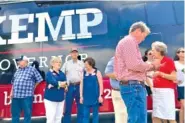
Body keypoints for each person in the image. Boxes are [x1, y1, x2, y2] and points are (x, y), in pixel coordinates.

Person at [114, 21, 160, 123]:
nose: (143, 39)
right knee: (138, 119)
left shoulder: (127, 42)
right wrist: (152, 66)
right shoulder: (129, 41)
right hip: (133, 86)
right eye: (144, 36)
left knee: (138, 118)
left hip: (132, 86)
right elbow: (134, 65)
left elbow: (133, 65)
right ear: (138, 31)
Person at [10, 55, 43, 123]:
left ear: (25, 61)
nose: (18, 62)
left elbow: (39, 79)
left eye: (20, 61)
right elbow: (13, 82)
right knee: (15, 115)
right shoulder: (18, 70)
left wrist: (33, 87)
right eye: (18, 61)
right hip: (15, 96)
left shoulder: (32, 69)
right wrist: (11, 92)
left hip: (26, 96)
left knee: (27, 115)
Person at [151, 41, 177, 123]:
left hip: (166, 92)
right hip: (156, 91)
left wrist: (160, 73)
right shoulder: (154, 61)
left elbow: (174, 77)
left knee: (170, 117)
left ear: (159, 51)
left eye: (153, 50)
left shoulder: (168, 61)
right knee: (155, 116)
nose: (152, 52)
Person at [62, 47, 84, 123]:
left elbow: (85, 75)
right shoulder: (66, 64)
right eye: (73, 52)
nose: (74, 53)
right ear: (70, 54)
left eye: (75, 52)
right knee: (67, 107)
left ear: (77, 53)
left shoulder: (82, 63)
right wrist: (65, 85)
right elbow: (62, 76)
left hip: (79, 86)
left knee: (80, 107)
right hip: (69, 87)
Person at [44, 56, 67, 123]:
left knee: (58, 118)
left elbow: (65, 83)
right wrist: (59, 84)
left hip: (60, 99)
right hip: (50, 99)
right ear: (52, 64)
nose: (59, 63)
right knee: (51, 118)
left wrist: (59, 84)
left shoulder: (62, 73)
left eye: (60, 62)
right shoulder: (49, 73)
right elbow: (53, 82)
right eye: (57, 62)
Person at [80, 57, 103, 123]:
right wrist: (81, 96)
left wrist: (100, 95)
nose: (85, 66)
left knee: (95, 115)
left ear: (91, 64)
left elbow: (101, 85)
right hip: (86, 97)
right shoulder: (83, 72)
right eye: (85, 64)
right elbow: (81, 85)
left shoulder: (97, 72)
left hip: (95, 96)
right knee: (85, 115)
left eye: (86, 64)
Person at [104, 57, 127, 123]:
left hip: (130, 90)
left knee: (129, 114)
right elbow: (108, 73)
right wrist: (121, 76)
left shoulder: (131, 58)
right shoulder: (114, 59)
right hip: (118, 91)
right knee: (120, 114)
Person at [174, 47, 184, 123]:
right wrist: (175, 80)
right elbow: (171, 73)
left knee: (182, 108)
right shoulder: (175, 63)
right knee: (184, 105)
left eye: (184, 51)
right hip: (181, 86)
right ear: (178, 54)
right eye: (181, 51)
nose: (183, 53)